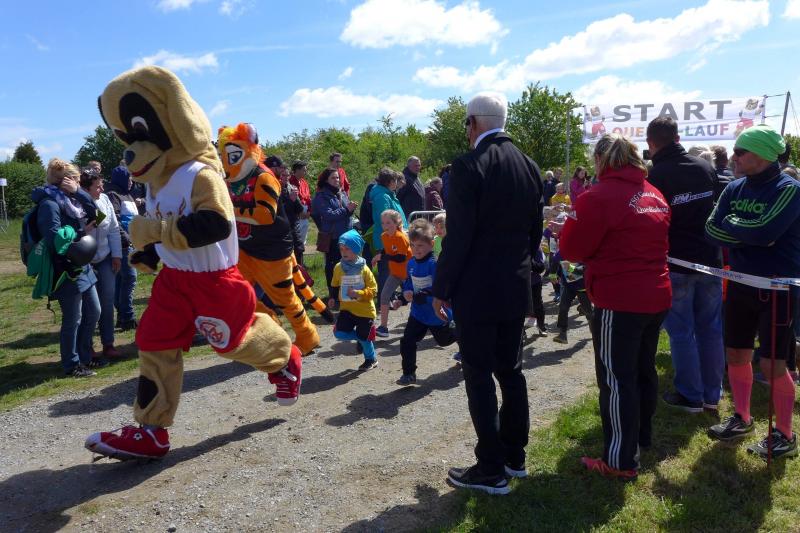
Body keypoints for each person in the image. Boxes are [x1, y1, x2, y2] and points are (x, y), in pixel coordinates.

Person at [432, 92, 543, 495]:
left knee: (478, 375)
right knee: (511, 371)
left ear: (473, 123)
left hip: (477, 288)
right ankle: (514, 455)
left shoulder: (468, 165)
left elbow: (459, 236)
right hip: (515, 283)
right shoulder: (529, 165)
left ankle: (491, 468)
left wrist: (441, 287)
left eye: (466, 124)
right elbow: (535, 230)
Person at [559, 133, 671, 480]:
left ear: (600, 160)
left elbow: (572, 250)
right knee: (642, 370)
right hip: (656, 293)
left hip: (620, 299)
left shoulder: (598, 196)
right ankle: (640, 438)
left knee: (616, 379)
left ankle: (621, 460)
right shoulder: (654, 193)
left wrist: (567, 230)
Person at [705, 124, 800, 459]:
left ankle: (785, 434)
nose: (734, 157)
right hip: (740, 283)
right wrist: (750, 234)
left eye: (740, 152)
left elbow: (765, 232)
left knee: (773, 365)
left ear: (760, 154)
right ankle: (742, 418)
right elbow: (711, 229)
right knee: (736, 354)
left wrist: (737, 226)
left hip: (778, 288)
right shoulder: (734, 187)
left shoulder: (789, 189)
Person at [646, 116, 724, 414]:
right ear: (677, 138)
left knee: (681, 331)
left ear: (652, 144)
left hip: (676, 261)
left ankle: (691, 395)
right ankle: (712, 394)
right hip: (710, 259)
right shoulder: (705, 167)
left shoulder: (656, 175)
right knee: (710, 328)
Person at [33, 158, 101, 377]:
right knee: (73, 318)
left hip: (82, 265)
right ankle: (72, 365)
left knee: (94, 311)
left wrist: (79, 192)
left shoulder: (73, 200)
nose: (79, 184)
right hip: (65, 269)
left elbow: (97, 214)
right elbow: (53, 238)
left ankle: (85, 356)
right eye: (77, 181)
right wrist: (81, 234)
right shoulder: (49, 204)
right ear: (65, 181)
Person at [397, 219, 457, 385]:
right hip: (418, 313)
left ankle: (460, 333)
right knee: (407, 340)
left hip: (436, 314)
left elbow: (440, 286)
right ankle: (409, 373)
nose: (416, 249)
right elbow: (408, 282)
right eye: (413, 245)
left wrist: (424, 294)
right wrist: (405, 294)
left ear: (431, 244)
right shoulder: (410, 263)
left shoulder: (435, 264)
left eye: (420, 245)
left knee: (444, 341)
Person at [80, 169, 124, 359]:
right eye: (97, 187)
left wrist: (117, 255)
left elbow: (113, 229)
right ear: (85, 189)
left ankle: (108, 343)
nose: (102, 189)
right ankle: (87, 345)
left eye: (101, 185)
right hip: (84, 260)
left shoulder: (105, 200)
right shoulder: (75, 203)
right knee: (89, 306)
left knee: (107, 301)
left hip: (105, 257)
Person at [332, 229, 378, 370]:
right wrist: (333, 298)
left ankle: (371, 359)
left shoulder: (364, 269)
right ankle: (363, 337)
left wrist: (358, 293)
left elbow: (374, 290)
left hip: (365, 311)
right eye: (341, 249)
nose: (344, 252)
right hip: (347, 310)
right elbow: (335, 284)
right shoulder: (338, 267)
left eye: (347, 248)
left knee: (364, 338)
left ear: (357, 249)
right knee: (339, 333)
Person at [313, 168, 356, 309]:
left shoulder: (342, 193)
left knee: (347, 266)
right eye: (333, 178)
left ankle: (346, 294)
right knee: (333, 267)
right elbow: (329, 215)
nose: (337, 180)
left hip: (346, 236)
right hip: (333, 238)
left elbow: (345, 213)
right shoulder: (321, 196)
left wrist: (350, 209)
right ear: (326, 180)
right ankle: (333, 296)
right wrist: (347, 209)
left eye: (338, 177)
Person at [106, 164, 139, 331]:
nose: (131, 182)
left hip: (131, 242)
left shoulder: (127, 194)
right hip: (123, 244)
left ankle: (122, 315)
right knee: (129, 278)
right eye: (129, 179)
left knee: (122, 280)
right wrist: (125, 239)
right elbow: (115, 221)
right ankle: (127, 316)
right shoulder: (113, 195)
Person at [371, 209, 411, 337]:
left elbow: (401, 258)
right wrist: (378, 256)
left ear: (396, 223)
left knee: (414, 298)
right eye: (383, 223)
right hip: (395, 273)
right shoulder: (384, 236)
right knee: (384, 295)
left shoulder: (401, 237)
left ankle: (429, 321)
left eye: (388, 223)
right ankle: (383, 327)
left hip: (408, 274)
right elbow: (386, 250)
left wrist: (382, 257)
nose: (385, 226)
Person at [369, 167, 407, 295]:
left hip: (394, 237)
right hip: (388, 240)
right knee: (386, 271)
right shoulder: (382, 196)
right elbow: (385, 219)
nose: (397, 183)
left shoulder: (387, 194)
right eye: (395, 180)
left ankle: (390, 297)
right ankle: (384, 300)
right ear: (390, 182)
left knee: (394, 269)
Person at [289, 161, 313, 263]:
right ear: (297, 170)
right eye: (304, 170)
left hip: (305, 214)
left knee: (302, 240)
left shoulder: (304, 182)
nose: (305, 172)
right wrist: (298, 212)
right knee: (295, 240)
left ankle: (301, 263)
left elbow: (308, 198)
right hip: (295, 215)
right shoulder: (289, 182)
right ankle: (294, 263)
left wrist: (309, 212)